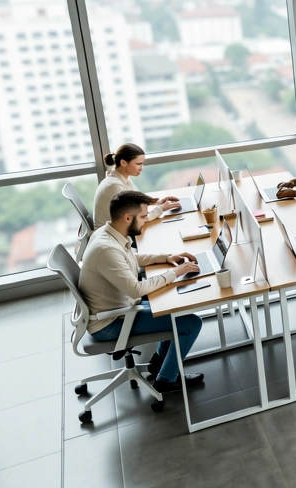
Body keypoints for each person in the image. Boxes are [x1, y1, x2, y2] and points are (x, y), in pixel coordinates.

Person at [79, 191, 205, 393]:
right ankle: (166, 380)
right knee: (191, 323)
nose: (146, 220)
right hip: (110, 323)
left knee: (171, 306)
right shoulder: (106, 249)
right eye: (144, 216)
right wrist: (175, 273)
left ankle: (158, 362)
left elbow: (131, 258)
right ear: (127, 218)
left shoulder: (108, 233)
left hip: (119, 307)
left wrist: (166, 257)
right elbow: (136, 289)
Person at [92, 144, 180, 227]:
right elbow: (135, 220)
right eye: (138, 164)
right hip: (113, 238)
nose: (141, 168)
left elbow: (136, 203)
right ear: (123, 162)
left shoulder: (122, 178)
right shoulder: (114, 186)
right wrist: (160, 209)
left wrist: (157, 203)